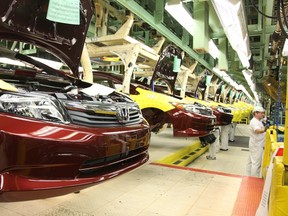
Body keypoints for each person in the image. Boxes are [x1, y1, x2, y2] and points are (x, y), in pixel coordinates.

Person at [246, 106, 267, 177]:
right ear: (256, 113)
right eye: (261, 113)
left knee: (251, 161)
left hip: (256, 144)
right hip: (256, 145)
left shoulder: (258, 121)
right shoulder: (254, 122)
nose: (263, 115)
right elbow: (257, 131)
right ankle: (254, 179)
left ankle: (249, 176)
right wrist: (264, 130)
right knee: (256, 163)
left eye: (263, 113)